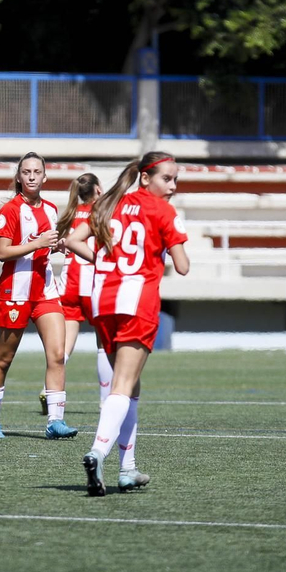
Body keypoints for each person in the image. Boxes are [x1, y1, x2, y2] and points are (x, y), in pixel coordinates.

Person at [65, 151, 190, 496]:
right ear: (146, 179)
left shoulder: (109, 203)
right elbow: (182, 266)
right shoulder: (162, 210)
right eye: (168, 178)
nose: (174, 186)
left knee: (130, 386)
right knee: (122, 384)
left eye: (176, 179)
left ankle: (128, 469)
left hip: (103, 300)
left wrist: (108, 260)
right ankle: (98, 451)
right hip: (137, 302)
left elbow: (73, 240)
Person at [0, 152, 79, 440]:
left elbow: (46, 246)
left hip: (45, 290)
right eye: (27, 172)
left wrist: (58, 246)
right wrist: (37, 243)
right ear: (19, 177)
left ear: (45, 177)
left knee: (58, 354)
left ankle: (55, 421)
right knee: (4, 358)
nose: (32, 176)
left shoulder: (50, 208)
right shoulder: (11, 210)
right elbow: (3, 252)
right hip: (15, 292)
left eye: (37, 171)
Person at [42, 171, 110, 414]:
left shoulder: (70, 214)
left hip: (68, 283)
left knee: (64, 347)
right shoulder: (102, 213)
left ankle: (47, 389)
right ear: (98, 190)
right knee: (104, 345)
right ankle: (106, 401)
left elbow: (57, 246)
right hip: (94, 282)